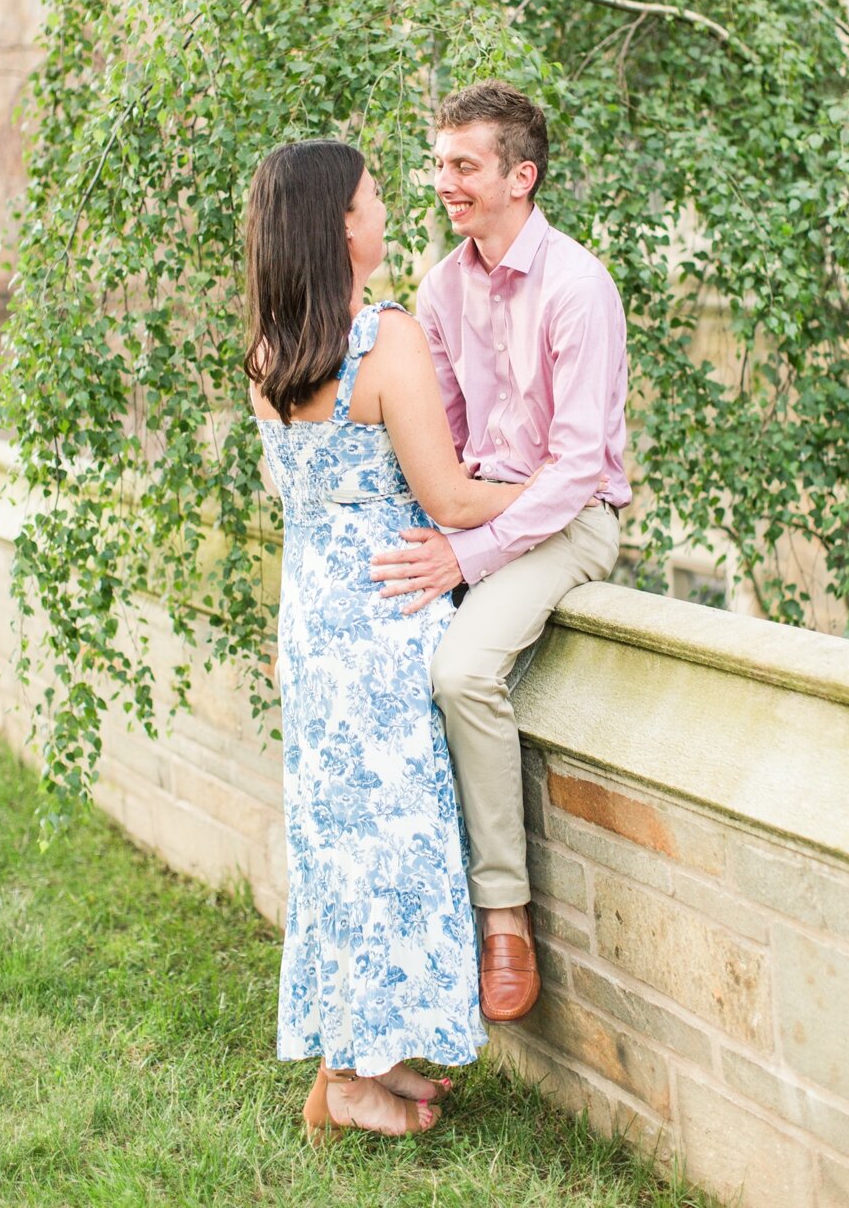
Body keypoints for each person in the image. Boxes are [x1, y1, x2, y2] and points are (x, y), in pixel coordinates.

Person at [244, 138, 535, 1141]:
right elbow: (449, 496)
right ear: (341, 227)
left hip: (314, 633)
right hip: (381, 625)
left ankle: (369, 1055)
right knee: (393, 852)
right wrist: (559, 491)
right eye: (372, 195)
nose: (386, 206)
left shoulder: (268, 355)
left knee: (339, 851)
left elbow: (303, 505)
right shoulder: (385, 341)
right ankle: (349, 1077)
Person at [371, 80, 630, 1025]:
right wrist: (438, 531)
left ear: (520, 176)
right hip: (482, 510)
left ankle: (504, 916)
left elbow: (575, 473)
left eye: (464, 165)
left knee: (464, 668)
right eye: (438, 163)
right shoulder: (439, 288)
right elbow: (436, 435)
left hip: (571, 523)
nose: (444, 181)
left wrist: (468, 557)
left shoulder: (578, 287)